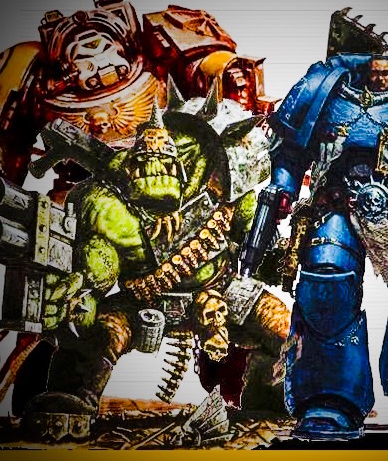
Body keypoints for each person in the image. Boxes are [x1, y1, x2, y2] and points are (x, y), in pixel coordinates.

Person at [20, 83, 290, 442]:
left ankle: (270, 395)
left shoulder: (234, 198)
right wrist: (86, 285)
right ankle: (73, 397)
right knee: (103, 333)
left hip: (220, 290)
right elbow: (102, 257)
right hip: (144, 298)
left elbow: (252, 246)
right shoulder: (112, 200)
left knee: (283, 326)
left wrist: (280, 258)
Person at [241, 53, 388, 440]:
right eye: (372, 70)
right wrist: (281, 190)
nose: (378, 77)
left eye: (384, 71)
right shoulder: (322, 87)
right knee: (326, 283)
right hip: (336, 205)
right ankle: (330, 399)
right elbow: (290, 151)